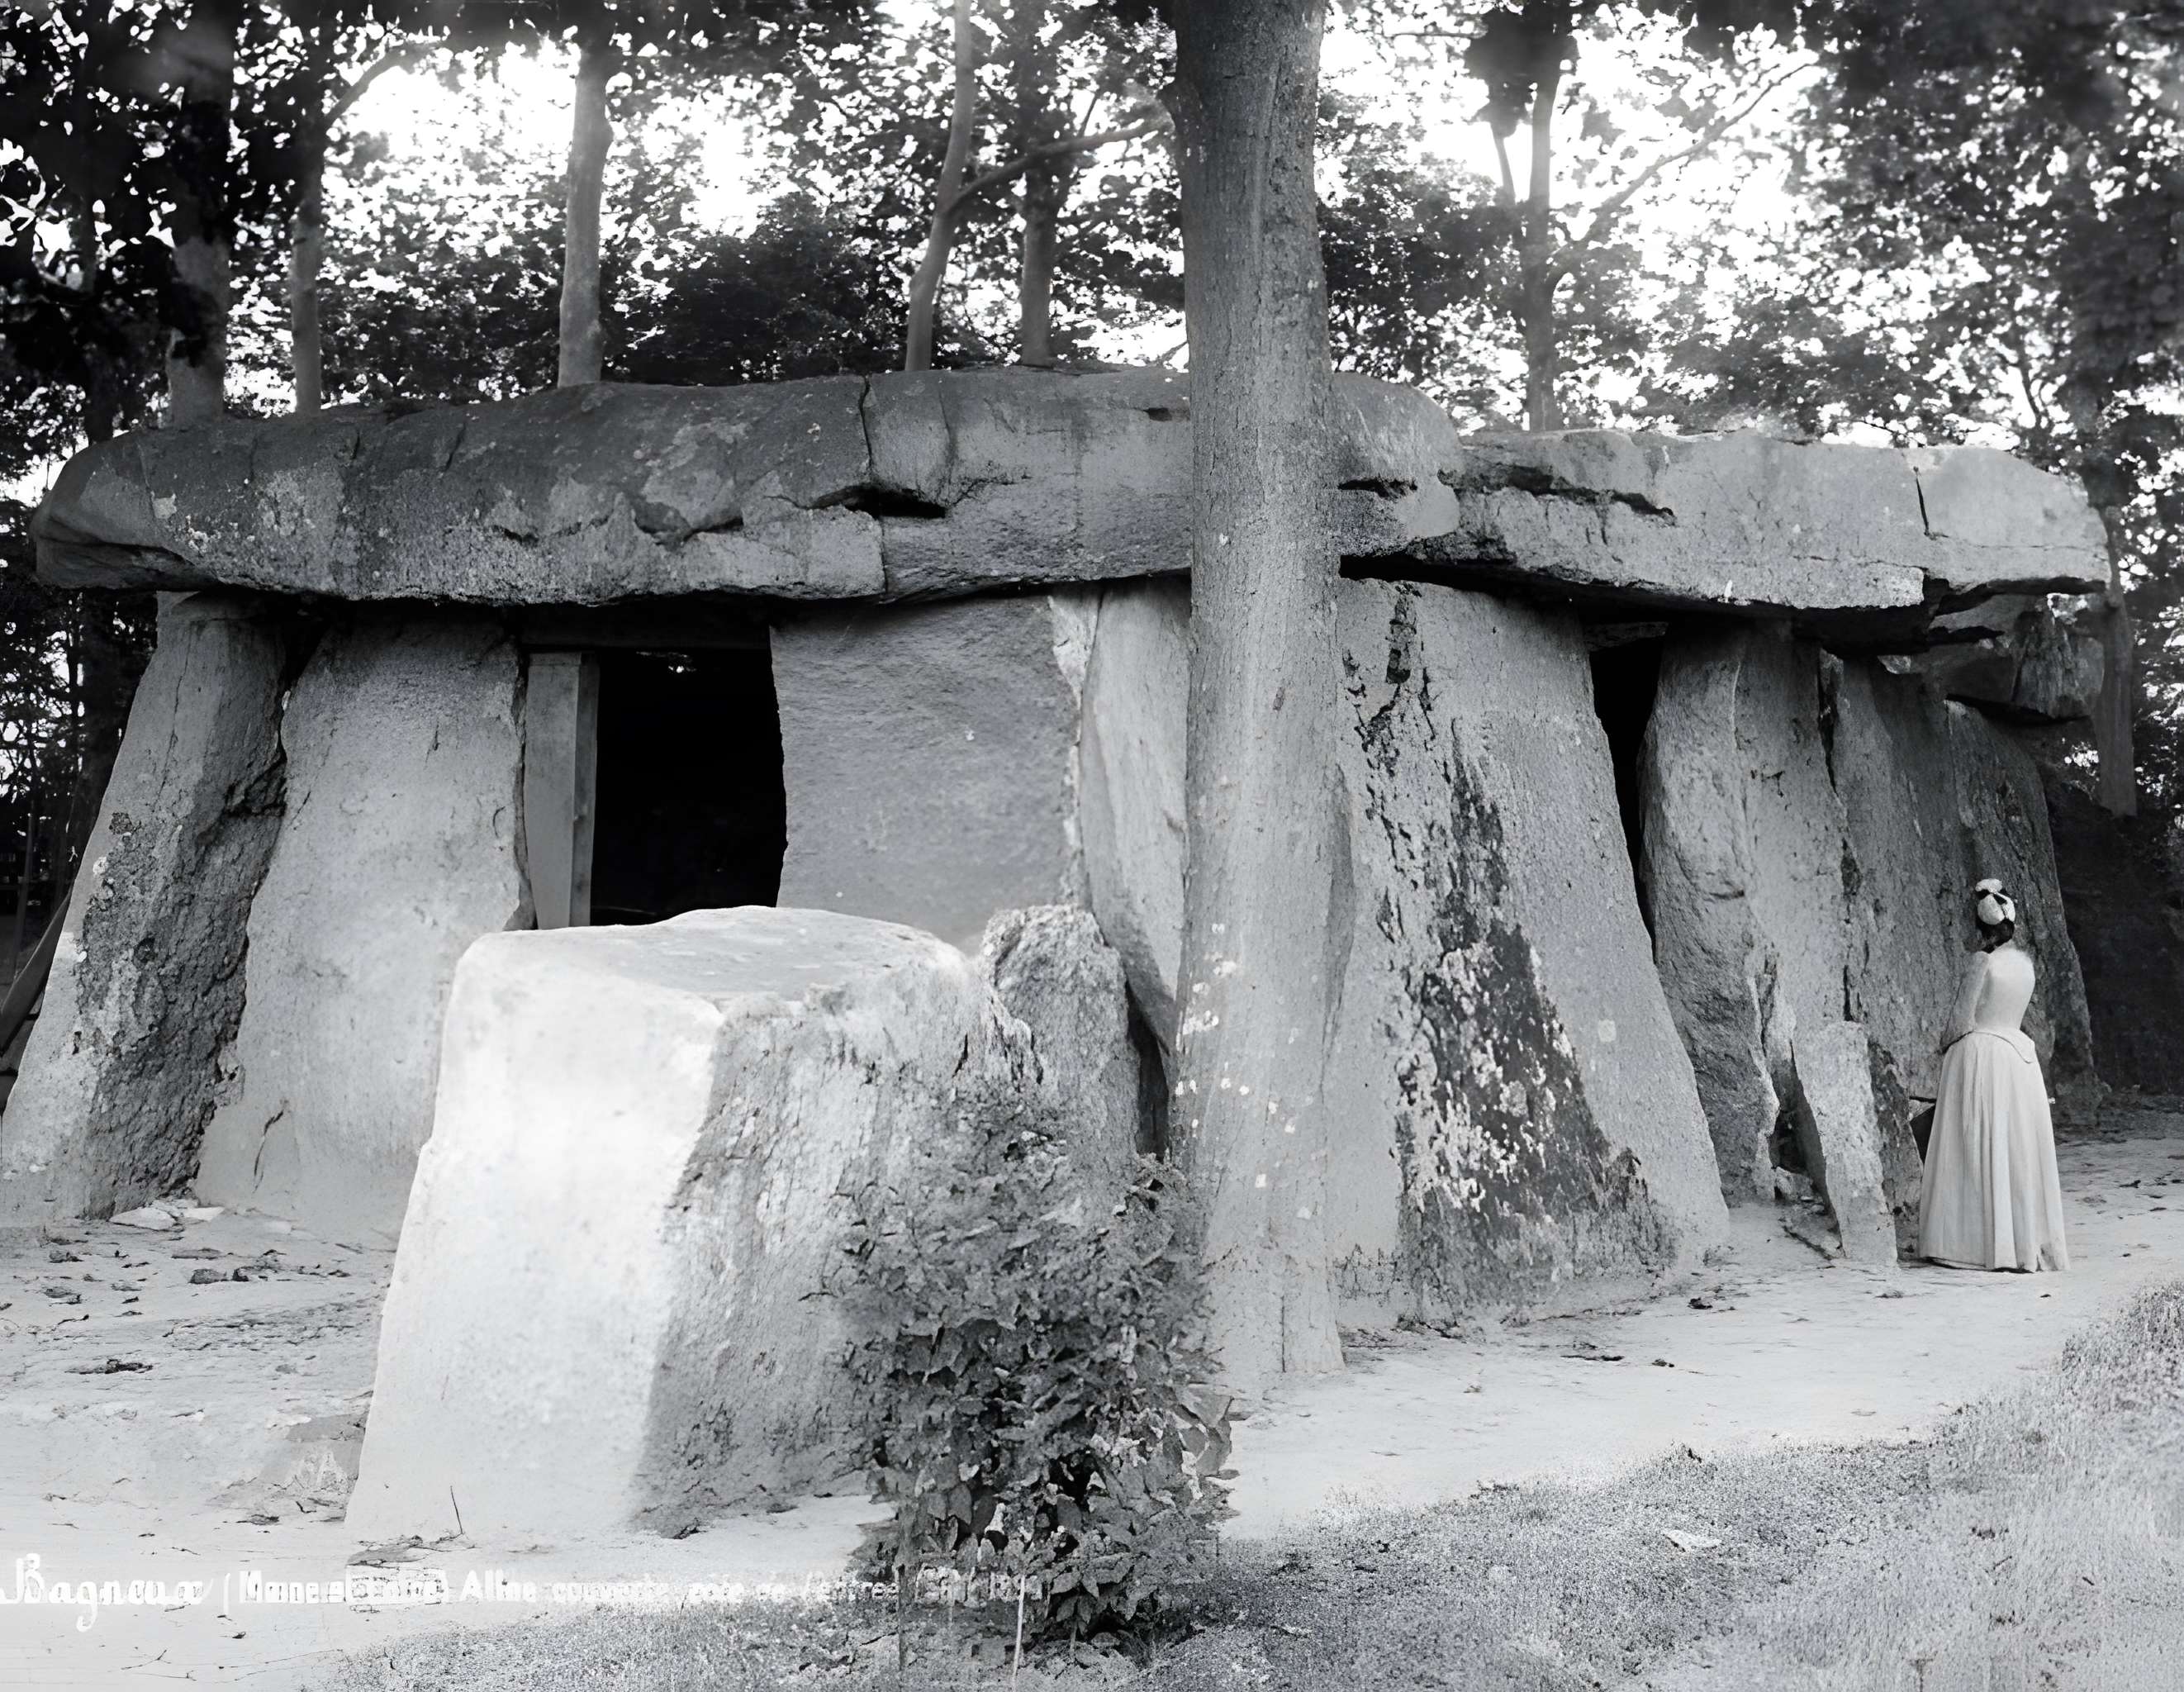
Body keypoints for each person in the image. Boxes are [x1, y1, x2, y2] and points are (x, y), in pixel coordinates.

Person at [1916, 878, 2069, 1272]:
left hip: (1981, 1054)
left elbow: (1961, 1019)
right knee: (2013, 1147)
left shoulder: (1980, 962)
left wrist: (1943, 1045)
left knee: (1971, 1145)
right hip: (2019, 1056)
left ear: (1981, 927)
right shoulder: (2024, 964)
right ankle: (2016, 1239)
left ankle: (1971, 1243)